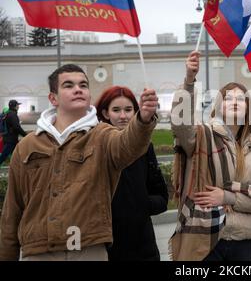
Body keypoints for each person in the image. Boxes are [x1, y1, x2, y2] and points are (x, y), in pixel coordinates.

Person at [0, 64, 158, 261]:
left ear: (89, 95)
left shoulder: (103, 136)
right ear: (53, 98)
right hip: (38, 252)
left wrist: (143, 119)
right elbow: (12, 210)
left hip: (88, 250)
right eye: (68, 85)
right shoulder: (27, 146)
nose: (78, 89)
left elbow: (129, 144)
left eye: (83, 85)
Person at [169, 51, 251, 261]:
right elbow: (181, 126)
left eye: (241, 99)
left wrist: (226, 197)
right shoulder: (202, 137)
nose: (235, 102)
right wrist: (189, 82)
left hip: (244, 244)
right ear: (219, 107)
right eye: (228, 98)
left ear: (248, 109)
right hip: (206, 241)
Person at [95, 86, 168, 261]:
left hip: (142, 244)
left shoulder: (145, 147)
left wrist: (140, 205)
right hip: (107, 244)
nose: (123, 116)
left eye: (128, 110)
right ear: (105, 113)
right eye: (116, 110)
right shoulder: (96, 146)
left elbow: (162, 198)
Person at [0, 100, 28, 166]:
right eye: (17, 105)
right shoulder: (12, 114)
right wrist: (25, 135)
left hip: (10, 139)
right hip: (10, 140)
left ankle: (20, 168)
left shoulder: (9, 113)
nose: (18, 106)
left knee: (18, 155)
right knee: (3, 156)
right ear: (15, 106)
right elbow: (16, 127)